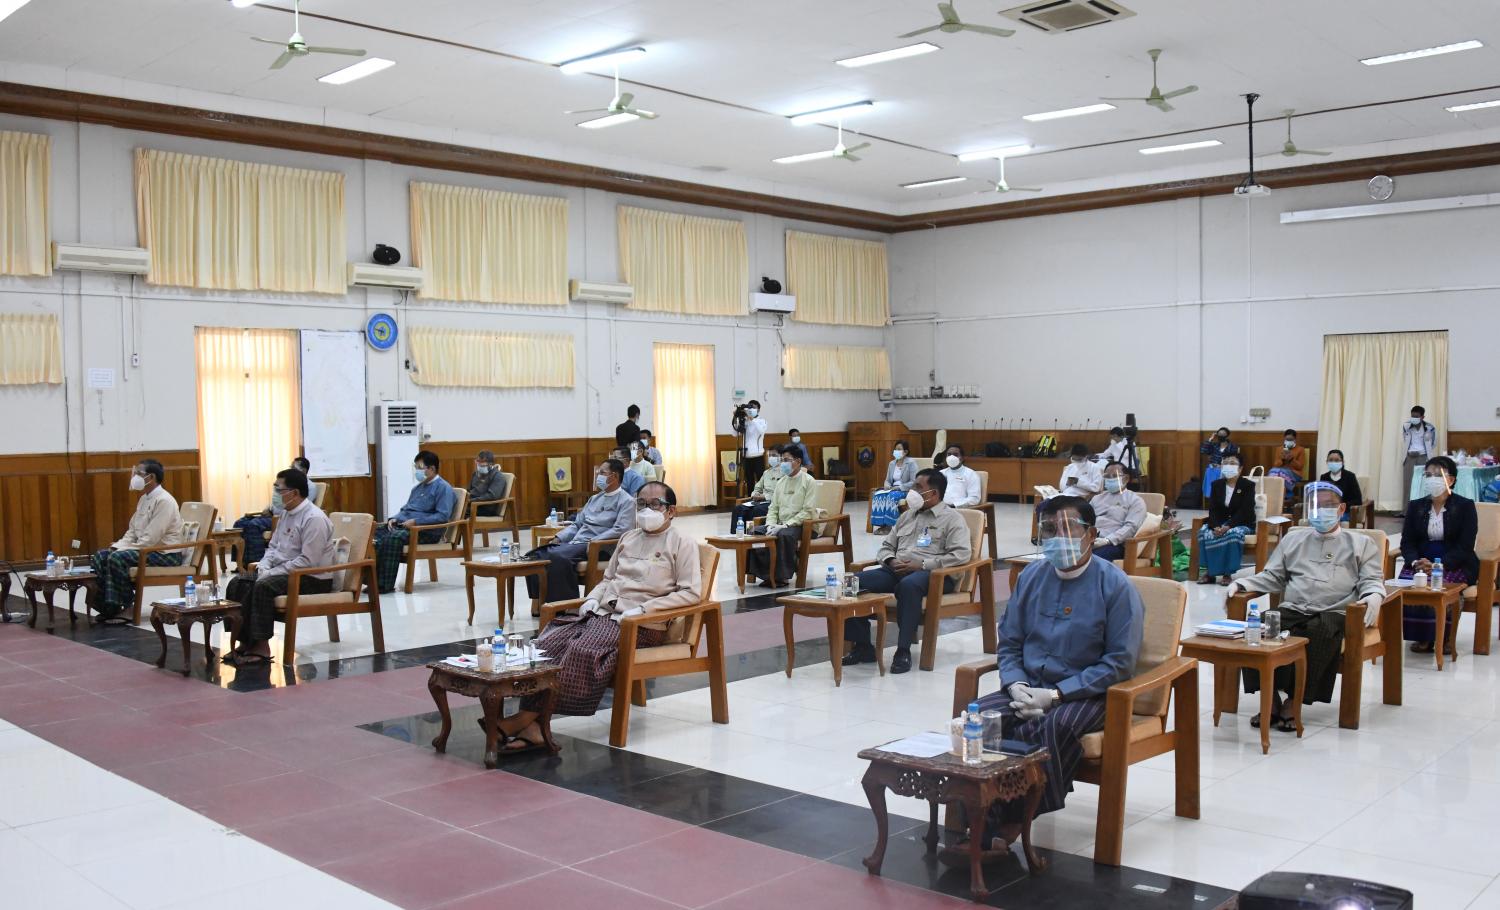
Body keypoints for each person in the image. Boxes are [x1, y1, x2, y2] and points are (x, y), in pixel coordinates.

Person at [965, 496, 1143, 857]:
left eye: (1068, 528)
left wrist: (1057, 695)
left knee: (1047, 728)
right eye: (1049, 529)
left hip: (1089, 692)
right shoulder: (1031, 576)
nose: (1058, 537)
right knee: (977, 720)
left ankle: (1014, 822)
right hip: (1027, 684)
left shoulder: (1115, 586)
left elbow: (1120, 662)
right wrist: (1015, 683)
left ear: (1091, 534)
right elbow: (1010, 641)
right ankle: (979, 817)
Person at [498, 482, 699, 751]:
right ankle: (533, 726)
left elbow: (691, 593)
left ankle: (524, 721)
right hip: (605, 615)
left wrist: (644, 610)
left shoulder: (682, 543)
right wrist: (592, 599)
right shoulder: (628, 538)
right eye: (641, 504)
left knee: (582, 649)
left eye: (655, 505)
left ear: (671, 511)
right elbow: (608, 579)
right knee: (547, 644)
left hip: (642, 624)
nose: (646, 510)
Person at [1228, 482, 1384, 732]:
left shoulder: (1361, 543)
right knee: (1258, 627)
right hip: (1294, 607)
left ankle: (1294, 701)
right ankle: (1270, 699)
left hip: (1335, 611)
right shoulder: (1293, 539)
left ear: (1342, 508)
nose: (1321, 510)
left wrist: (1373, 595)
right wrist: (1242, 584)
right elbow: (1273, 576)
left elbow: (1372, 580)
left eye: (1328, 505)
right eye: (1315, 506)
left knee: (1319, 632)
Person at [842, 469, 971, 674]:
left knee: (908, 586)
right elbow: (886, 547)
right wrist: (891, 560)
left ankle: (903, 650)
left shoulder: (952, 519)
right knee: (851, 582)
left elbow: (961, 555)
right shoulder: (907, 516)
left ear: (934, 493)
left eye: (918, 487)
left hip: (934, 576)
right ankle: (863, 646)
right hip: (896, 570)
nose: (912, 491)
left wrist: (922, 565)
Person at [223, 468, 336, 667]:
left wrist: (271, 573)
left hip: (312, 578)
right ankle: (245, 641)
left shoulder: (314, 519)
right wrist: (264, 566)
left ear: (294, 493)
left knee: (263, 586)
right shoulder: (285, 514)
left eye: (279, 489)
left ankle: (261, 646)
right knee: (238, 582)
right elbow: (273, 547)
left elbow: (308, 561)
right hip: (287, 572)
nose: (276, 494)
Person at [87, 459, 187, 621]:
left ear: (151, 477)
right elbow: (132, 531)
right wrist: (119, 545)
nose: (135, 477)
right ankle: (109, 607)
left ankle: (128, 606)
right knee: (101, 556)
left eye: (139, 474)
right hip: (145, 549)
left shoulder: (165, 501)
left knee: (117, 558)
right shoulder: (144, 499)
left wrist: (123, 549)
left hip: (164, 553)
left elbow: (151, 538)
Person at [524, 459, 635, 602]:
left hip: (599, 547)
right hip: (578, 543)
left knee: (558, 556)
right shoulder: (595, 498)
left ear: (614, 476)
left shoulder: (626, 501)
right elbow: (577, 524)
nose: (598, 476)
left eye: (602, 473)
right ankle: (541, 601)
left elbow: (621, 529)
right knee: (536, 555)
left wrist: (595, 540)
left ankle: (566, 606)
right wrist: (560, 537)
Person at [1399, 456, 1478, 655]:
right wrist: (1415, 562)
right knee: (1411, 582)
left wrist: (1439, 564)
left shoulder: (1465, 506)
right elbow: (1407, 541)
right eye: (1428, 475)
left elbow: (1465, 546)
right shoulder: (1416, 506)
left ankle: (1446, 637)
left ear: (1450, 480)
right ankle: (1423, 636)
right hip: (1422, 560)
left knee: (1441, 583)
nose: (1431, 479)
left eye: (1437, 475)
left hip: (1455, 561)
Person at [372, 450, 457, 594]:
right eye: (416, 467)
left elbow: (442, 516)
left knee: (393, 538)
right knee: (375, 533)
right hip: (406, 527)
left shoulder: (444, 488)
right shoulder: (417, 488)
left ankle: (384, 585)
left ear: (432, 469)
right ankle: (373, 581)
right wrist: (394, 519)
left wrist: (416, 522)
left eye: (420, 467)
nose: (417, 471)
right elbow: (406, 509)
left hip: (426, 531)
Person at [745, 447, 816, 587]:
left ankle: (781, 577)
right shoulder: (781, 482)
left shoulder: (809, 481)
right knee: (753, 532)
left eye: (786, 460)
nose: (783, 463)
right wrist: (770, 524)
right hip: (778, 524)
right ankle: (765, 574)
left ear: (798, 461)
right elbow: (773, 508)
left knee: (784, 534)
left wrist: (785, 525)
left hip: (801, 525)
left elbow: (808, 511)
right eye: (782, 460)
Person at [233, 456, 312, 564]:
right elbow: (273, 546)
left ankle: (255, 560)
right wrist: (268, 508)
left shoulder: (309, 487)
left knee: (253, 525)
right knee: (240, 523)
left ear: (303, 470)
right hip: (273, 514)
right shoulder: (287, 487)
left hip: (277, 517)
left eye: (293, 467)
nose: (290, 469)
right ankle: (241, 563)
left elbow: (300, 503)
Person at [1198, 454, 1256, 586]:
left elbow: (1245, 510)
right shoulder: (1216, 485)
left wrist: (1228, 526)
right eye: (1226, 463)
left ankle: (1227, 573)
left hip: (1241, 523)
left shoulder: (1248, 485)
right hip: (1219, 522)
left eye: (1233, 463)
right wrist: (1215, 526)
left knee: (1232, 534)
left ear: (1240, 469)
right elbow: (1213, 509)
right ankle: (1210, 572)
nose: (1229, 466)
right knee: (1204, 532)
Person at [1090, 461, 1146, 562]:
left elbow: (1131, 527)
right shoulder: (1097, 499)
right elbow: (1085, 520)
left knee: (1091, 559)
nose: (1110, 479)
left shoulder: (1135, 500)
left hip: (1115, 544)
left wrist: (1107, 540)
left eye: (1115, 476)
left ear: (1126, 478)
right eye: (1107, 476)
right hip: (1091, 540)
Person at [730, 444, 783, 529]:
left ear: (781, 457)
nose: (771, 458)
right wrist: (755, 494)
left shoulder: (785, 473)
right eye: (770, 455)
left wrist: (765, 497)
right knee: (738, 509)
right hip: (760, 501)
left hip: (773, 502)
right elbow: (757, 487)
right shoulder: (766, 473)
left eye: (774, 455)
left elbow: (782, 494)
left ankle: (750, 533)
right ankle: (736, 534)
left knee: (755, 510)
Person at [870, 440, 917, 533]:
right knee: (878, 495)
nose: (896, 451)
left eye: (899, 449)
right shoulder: (892, 463)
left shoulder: (911, 463)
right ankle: (881, 525)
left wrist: (899, 487)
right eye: (895, 449)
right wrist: (887, 485)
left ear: (906, 452)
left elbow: (914, 481)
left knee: (892, 497)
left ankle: (890, 526)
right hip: (892, 489)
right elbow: (887, 480)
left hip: (905, 490)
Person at [1402, 406, 1437, 509]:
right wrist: (1411, 451)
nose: (1414, 418)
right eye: (1412, 416)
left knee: (1423, 484)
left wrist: (1422, 452)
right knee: (1408, 484)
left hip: (1423, 457)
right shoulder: (1406, 426)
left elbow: (1433, 443)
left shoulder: (1430, 428)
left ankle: (1424, 509)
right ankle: (1406, 510)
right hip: (1410, 457)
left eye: (1416, 416)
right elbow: (1405, 440)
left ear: (1422, 417)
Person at [1318, 450, 1363, 522]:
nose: (1333, 462)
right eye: (1331, 460)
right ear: (1326, 462)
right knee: (1314, 518)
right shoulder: (1324, 477)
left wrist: (1341, 506)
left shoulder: (1350, 476)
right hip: (1328, 511)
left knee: (1333, 519)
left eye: (1336, 460)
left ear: (1342, 462)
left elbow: (1358, 500)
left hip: (1345, 511)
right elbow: (1321, 498)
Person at [1268, 429, 1306, 505]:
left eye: (1291, 440)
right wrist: (1282, 459)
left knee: (1277, 473)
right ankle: (1286, 495)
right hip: (1280, 472)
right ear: (1284, 439)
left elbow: (1300, 466)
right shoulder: (1279, 449)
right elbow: (1276, 464)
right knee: (1273, 471)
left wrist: (1291, 459)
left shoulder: (1300, 449)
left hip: (1295, 473)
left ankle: (1283, 495)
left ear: (1295, 439)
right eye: (1287, 439)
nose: (1288, 441)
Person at [1200, 427, 1239, 500]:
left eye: (1223, 434)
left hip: (1225, 471)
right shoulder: (1214, 445)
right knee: (1211, 489)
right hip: (1212, 469)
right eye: (1219, 434)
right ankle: (1212, 502)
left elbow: (1233, 459)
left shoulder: (1232, 446)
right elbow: (1203, 450)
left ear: (1227, 435)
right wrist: (1211, 439)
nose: (1221, 436)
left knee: (1221, 490)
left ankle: (1220, 502)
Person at [467, 450, 508, 518]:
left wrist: (471, 501)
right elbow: (469, 490)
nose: (479, 465)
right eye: (477, 461)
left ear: (490, 464)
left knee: (459, 512)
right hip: (472, 504)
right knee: (456, 508)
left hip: (485, 507)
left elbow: (492, 496)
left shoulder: (498, 476)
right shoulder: (475, 474)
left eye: (482, 463)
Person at [740, 400, 768, 490]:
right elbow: (734, 434)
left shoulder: (762, 421)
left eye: (754, 407)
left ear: (758, 410)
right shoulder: (745, 421)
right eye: (750, 407)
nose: (751, 409)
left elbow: (761, 431)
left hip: (758, 456)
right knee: (749, 481)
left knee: (760, 479)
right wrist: (736, 418)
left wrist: (752, 419)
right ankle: (750, 497)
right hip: (746, 456)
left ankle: (761, 497)